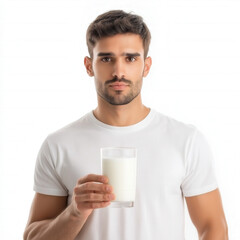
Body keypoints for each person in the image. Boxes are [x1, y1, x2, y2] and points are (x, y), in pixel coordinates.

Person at [23, 10, 228, 240]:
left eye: (130, 58)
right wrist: (74, 212)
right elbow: (33, 237)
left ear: (146, 66)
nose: (118, 72)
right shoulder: (58, 145)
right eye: (106, 58)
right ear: (89, 66)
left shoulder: (186, 140)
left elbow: (214, 228)